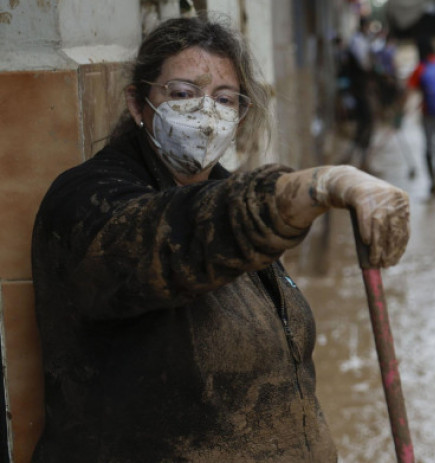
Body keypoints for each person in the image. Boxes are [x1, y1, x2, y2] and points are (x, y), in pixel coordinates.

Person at [30, 16, 410, 462]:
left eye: (224, 99)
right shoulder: (86, 201)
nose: (205, 113)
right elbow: (167, 241)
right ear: (138, 104)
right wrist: (313, 188)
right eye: (182, 94)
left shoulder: (227, 197)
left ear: (240, 115)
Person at [403, 37, 435, 195]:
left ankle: (434, 183)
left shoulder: (420, 67)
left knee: (429, 147)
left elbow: (409, 90)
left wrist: (401, 112)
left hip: (428, 112)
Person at [345, 16, 375, 170]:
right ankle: (358, 160)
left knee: (366, 123)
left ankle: (361, 160)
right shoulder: (358, 42)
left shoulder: (361, 41)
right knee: (366, 122)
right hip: (358, 88)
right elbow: (364, 64)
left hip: (360, 87)